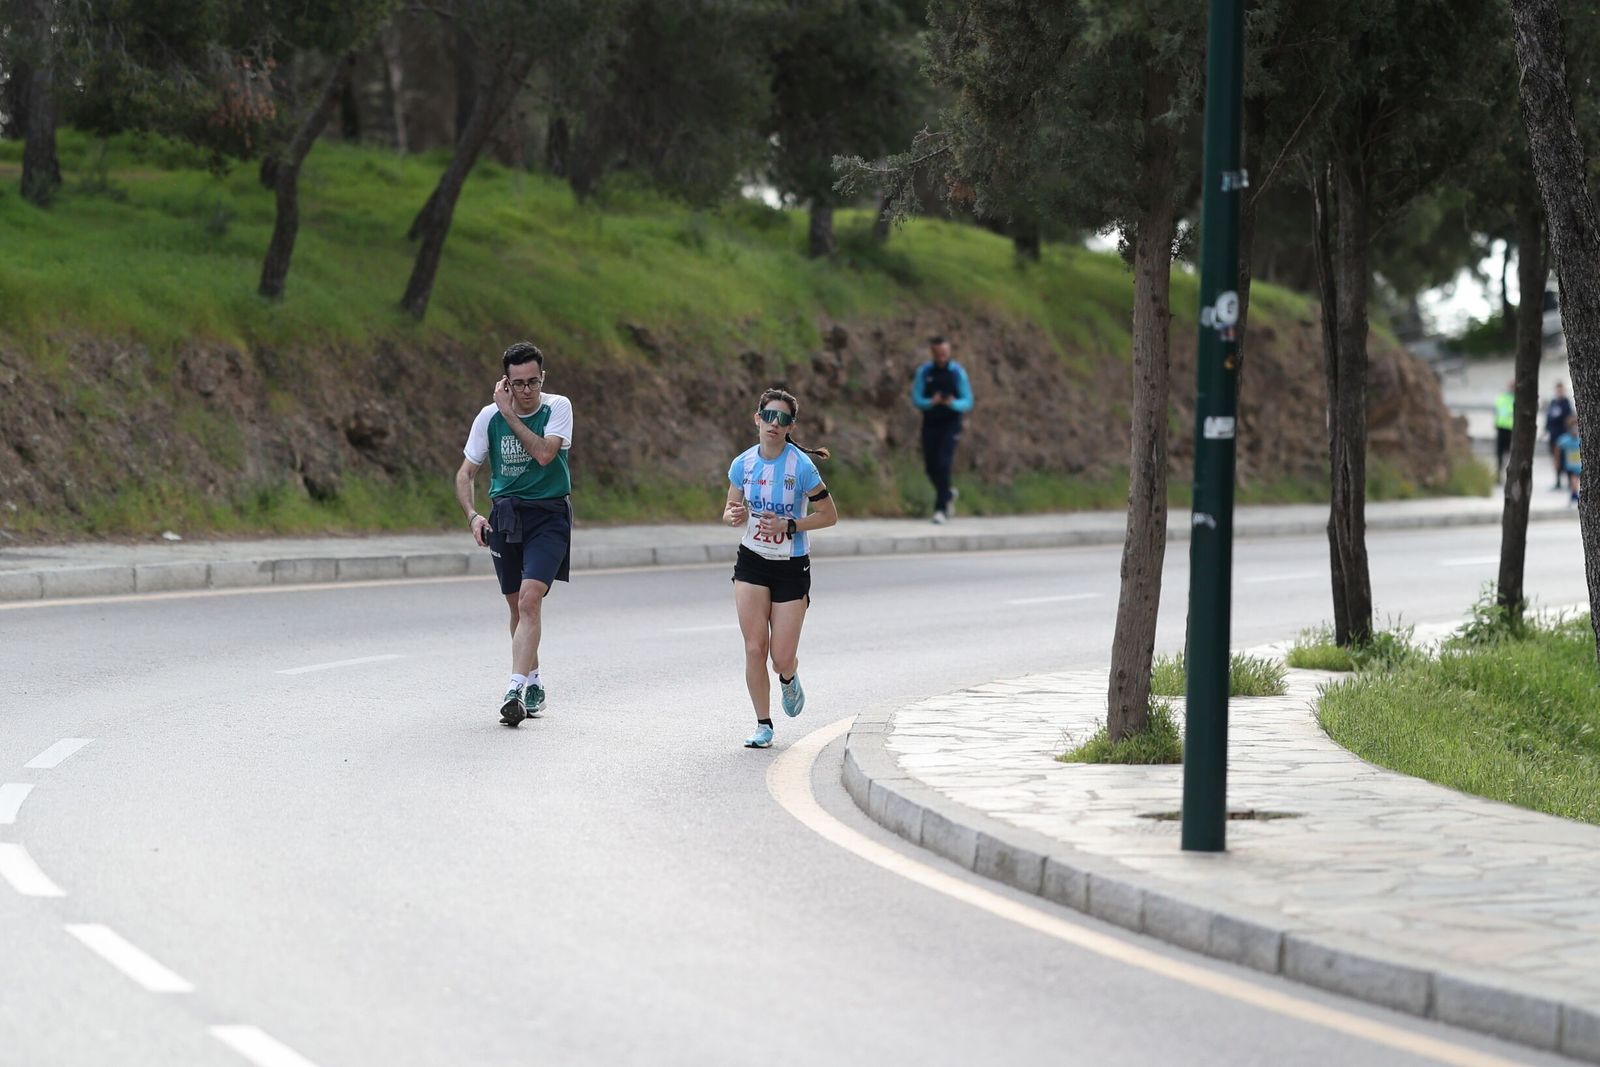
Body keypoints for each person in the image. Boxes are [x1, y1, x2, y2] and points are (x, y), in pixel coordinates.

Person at [455, 341, 575, 727]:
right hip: (505, 516)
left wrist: (509, 414)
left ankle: (514, 689)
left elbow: (544, 454)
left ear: (544, 379)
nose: (526, 391)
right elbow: (465, 473)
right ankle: (534, 680)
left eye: (533, 382)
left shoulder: (558, 407)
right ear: (505, 382)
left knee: (529, 599)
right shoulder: (487, 417)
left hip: (549, 514)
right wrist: (473, 516)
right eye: (518, 383)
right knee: (515, 605)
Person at [722, 388, 838, 749]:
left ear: (790, 426)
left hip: (791, 566)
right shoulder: (743, 464)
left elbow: (829, 516)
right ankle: (763, 724)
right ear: (757, 419)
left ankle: (789, 677)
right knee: (755, 648)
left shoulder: (801, 467)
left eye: (783, 419)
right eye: (768, 417)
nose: (774, 424)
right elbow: (729, 509)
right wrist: (734, 515)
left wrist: (790, 526)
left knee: (779, 658)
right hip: (752, 562)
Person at [911, 336, 974, 524]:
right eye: (937, 354)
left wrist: (952, 403)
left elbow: (968, 401)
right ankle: (947, 493)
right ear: (932, 353)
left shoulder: (957, 372)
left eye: (944, 353)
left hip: (950, 423)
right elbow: (917, 399)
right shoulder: (924, 372)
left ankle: (941, 509)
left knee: (944, 463)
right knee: (930, 467)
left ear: (949, 352)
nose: (941, 357)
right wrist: (932, 402)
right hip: (930, 423)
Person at [1546, 380, 1576, 490]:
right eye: (1557, 390)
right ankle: (1558, 480)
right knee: (1555, 458)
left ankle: (1569, 481)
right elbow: (1548, 418)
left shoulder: (1566, 403)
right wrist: (1546, 429)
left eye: (1561, 390)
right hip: (1553, 436)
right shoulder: (1553, 403)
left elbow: (1570, 419)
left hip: (1563, 436)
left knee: (1566, 459)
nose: (1559, 392)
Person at [1556, 413, 1582, 506]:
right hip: (1571, 464)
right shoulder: (1566, 439)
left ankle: (1574, 494)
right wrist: (1558, 462)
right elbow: (1558, 447)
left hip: (1579, 464)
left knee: (1575, 480)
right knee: (1573, 479)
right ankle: (1574, 494)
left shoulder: (1580, 439)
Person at [1494, 378, 1515, 481]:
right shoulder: (1502, 397)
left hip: (1512, 429)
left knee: (1511, 454)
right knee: (1499, 453)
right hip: (1501, 428)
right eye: (1511, 386)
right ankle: (1499, 474)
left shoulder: (1517, 398)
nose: (1512, 388)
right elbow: (1497, 410)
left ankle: (1510, 474)